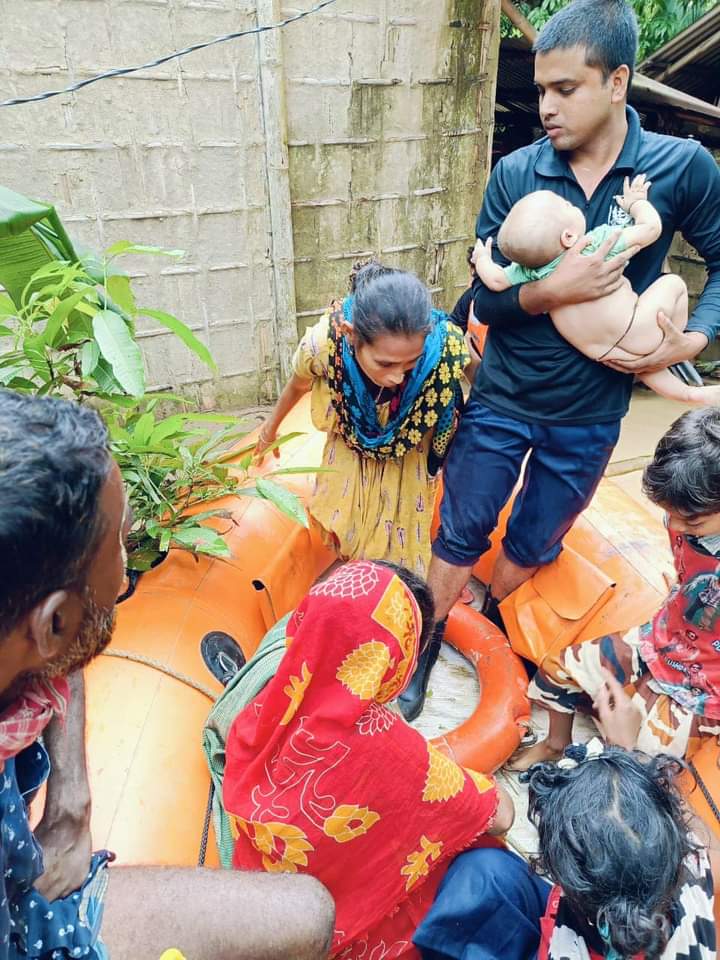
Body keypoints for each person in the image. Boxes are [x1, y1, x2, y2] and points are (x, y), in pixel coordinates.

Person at [418, 0, 720, 720]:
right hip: (502, 397)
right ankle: (427, 639)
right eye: (543, 90)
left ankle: (489, 615)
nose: (546, 106)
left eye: (565, 89)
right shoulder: (517, 173)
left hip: (593, 413)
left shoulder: (680, 169)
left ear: (617, 82)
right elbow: (479, 303)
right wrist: (551, 291)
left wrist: (696, 338)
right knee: (461, 523)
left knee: (539, 531)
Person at [0, 390, 334, 960]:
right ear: (53, 621)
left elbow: (66, 651)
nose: (132, 565)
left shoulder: (27, 624)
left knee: (310, 912)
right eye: (124, 548)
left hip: (28, 885)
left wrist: (71, 801)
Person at [221, 560, 514, 960]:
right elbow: (498, 814)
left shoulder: (264, 705)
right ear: (397, 659)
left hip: (269, 898)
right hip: (339, 924)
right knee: (483, 851)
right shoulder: (388, 749)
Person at [509, 405, 720, 771]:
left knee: (650, 760)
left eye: (691, 521)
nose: (676, 525)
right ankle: (556, 743)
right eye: (670, 515)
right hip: (663, 636)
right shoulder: (685, 517)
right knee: (558, 669)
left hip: (707, 681)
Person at [253, 262, 469, 578]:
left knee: (401, 545)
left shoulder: (443, 348)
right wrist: (269, 430)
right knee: (347, 527)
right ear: (353, 337)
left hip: (409, 456)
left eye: (412, 362)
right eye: (386, 363)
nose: (398, 375)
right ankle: (356, 577)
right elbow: (297, 384)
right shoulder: (325, 344)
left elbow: (469, 395)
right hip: (351, 446)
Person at [413, 742, 716, 959]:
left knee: (480, 877)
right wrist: (623, 752)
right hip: (595, 926)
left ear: (564, 875)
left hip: (569, 939)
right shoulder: (696, 861)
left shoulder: (567, 953)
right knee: (484, 873)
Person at [473, 177, 720, 405]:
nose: (572, 203)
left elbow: (494, 281)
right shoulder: (595, 244)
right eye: (567, 204)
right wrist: (637, 204)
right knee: (673, 282)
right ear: (569, 236)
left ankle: (687, 393)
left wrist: (482, 257)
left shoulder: (527, 271)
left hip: (603, 352)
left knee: (638, 362)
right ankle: (674, 346)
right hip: (635, 326)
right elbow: (652, 229)